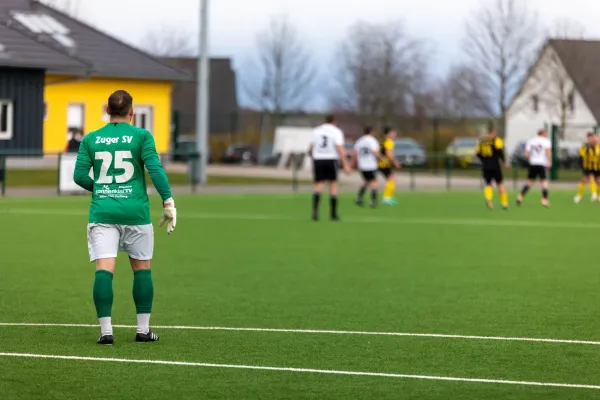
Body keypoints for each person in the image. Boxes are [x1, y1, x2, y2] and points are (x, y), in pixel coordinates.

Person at [73, 90, 177, 345]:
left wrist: (102, 189)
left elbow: (78, 176)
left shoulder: (91, 138)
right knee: (142, 270)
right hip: (136, 213)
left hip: (103, 212)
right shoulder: (142, 136)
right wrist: (168, 201)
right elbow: (154, 168)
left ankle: (106, 331)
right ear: (131, 112)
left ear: (107, 110)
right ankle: (143, 330)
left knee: (104, 271)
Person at [308, 114, 350, 221]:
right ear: (334, 121)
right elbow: (339, 147)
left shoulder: (316, 131)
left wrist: (314, 158)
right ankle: (333, 214)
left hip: (318, 159)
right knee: (333, 185)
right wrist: (345, 164)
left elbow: (311, 148)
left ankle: (315, 211)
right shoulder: (336, 131)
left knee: (319, 185)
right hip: (331, 159)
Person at [516, 129, 552, 208]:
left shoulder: (531, 141)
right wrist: (549, 162)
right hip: (541, 163)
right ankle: (544, 199)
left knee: (530, 182)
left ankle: (521, 196)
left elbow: (526, 154)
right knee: (544, 182)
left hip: (533, 163)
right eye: (546, 133)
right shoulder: (546, 141)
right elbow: (548, 152)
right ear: (543, 134)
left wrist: (531, 160)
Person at [475, 128, 509, 210]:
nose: (495, 135)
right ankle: (504, 203)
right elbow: (500, 152)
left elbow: (477, 153)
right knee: (500, 184)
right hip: (495, 165)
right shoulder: (496, 140)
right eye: (494, 133)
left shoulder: (482, 142)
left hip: (486, 166)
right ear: (492, 133)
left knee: (488, 184)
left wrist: (484, 160)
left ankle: (489, 198)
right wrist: (504, 162)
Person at [352, 126, 381, 208]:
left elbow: (355, 153)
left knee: (367, 181)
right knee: (374, 182)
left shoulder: (359, 141)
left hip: (362, 165)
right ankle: (373, 201)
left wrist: (354, 163)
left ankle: (359, 198)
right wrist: (383, 158)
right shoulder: (372, 140)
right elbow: (375, 152)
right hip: (370, 164)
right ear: (371, 132)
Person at [574, 132, 600, 204]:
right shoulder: (585, 147)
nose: (594, 140)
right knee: (586, 179)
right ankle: (580, 195)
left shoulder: (598, 147)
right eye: (592, 139)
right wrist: (581, 166)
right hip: (587, 167)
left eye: (595, 138)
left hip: (597, 167)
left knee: (599, 181)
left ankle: (598, 195)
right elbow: (580, 156)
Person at [378, 127, 400, 205]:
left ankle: (388, 197)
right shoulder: (389, 142)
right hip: (384, 164)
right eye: (393, 133)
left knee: (391, 178)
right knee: (391, 178)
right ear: (388, 134)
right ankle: (387, 198)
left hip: (381, 164)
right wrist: (395, 162)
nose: (394, 135)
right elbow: (388, 153)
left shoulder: (383, 141)